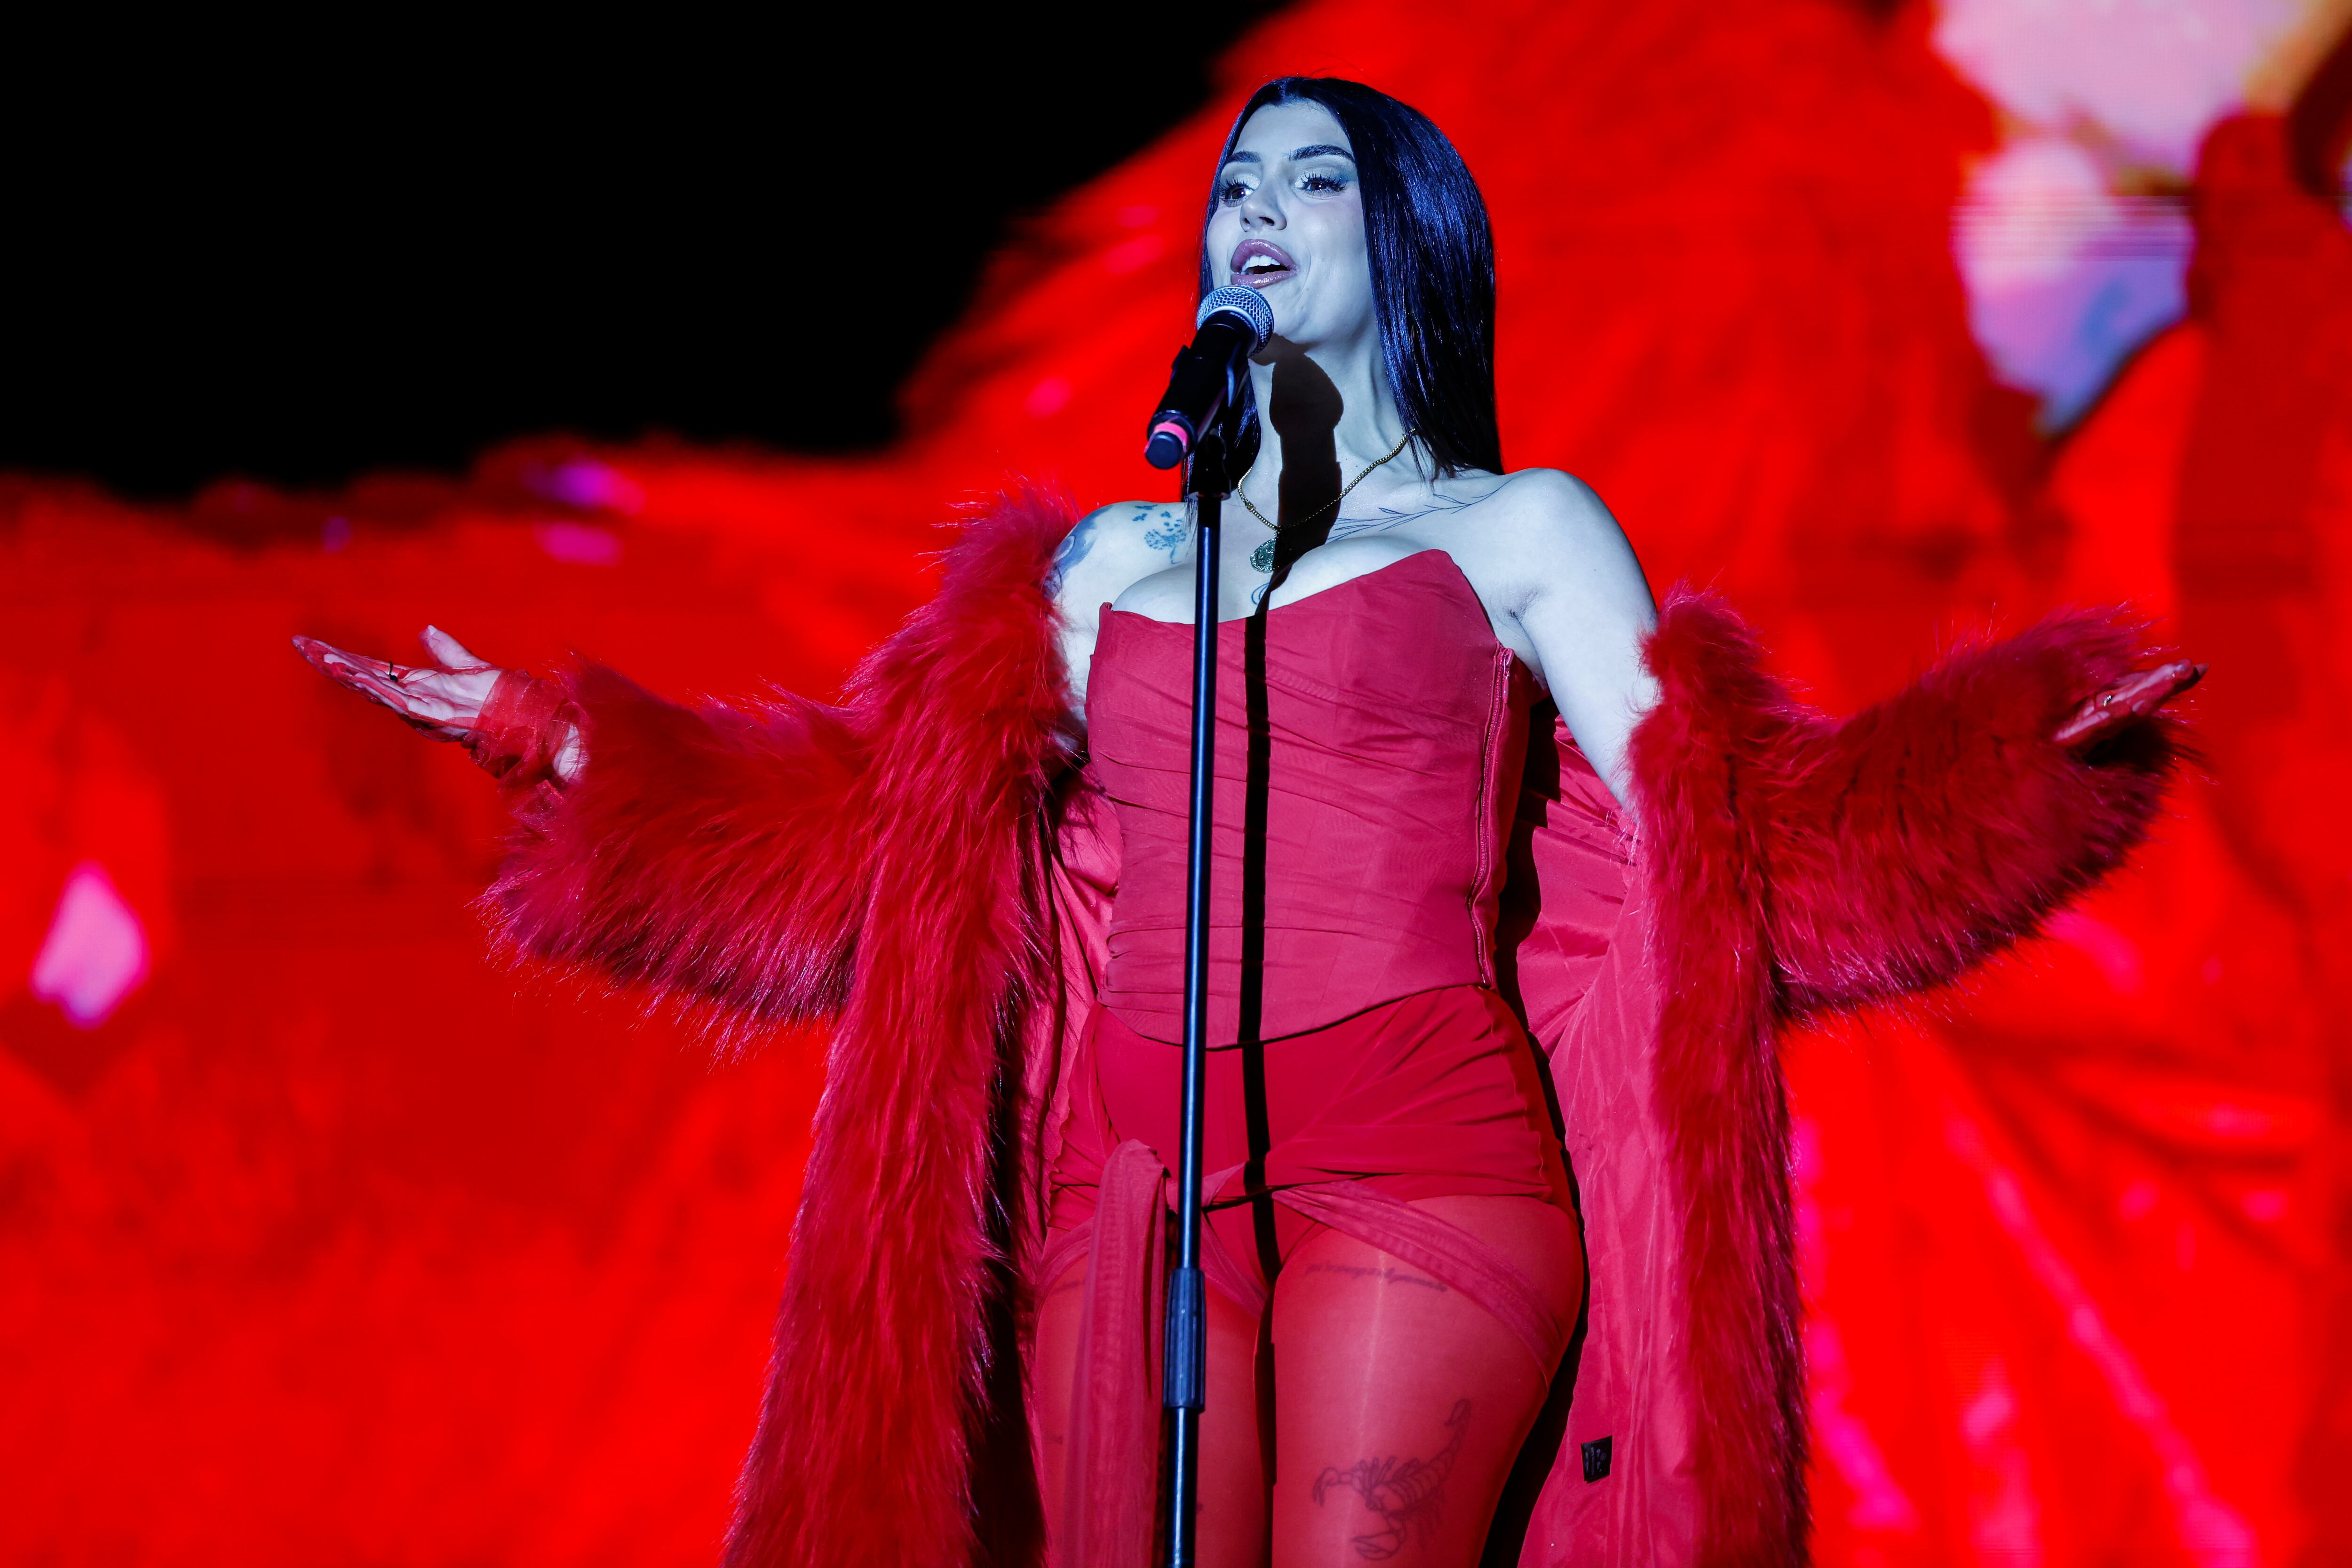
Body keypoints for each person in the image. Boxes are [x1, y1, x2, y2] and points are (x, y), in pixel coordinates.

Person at [297, 77, 2197, 1568]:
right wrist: (565, 751)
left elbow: (1742, 847)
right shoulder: (1108, 556)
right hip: (1128, 1190)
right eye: (1234, 187)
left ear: (1410, 242)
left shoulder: (1514, 531)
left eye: (1305, 183)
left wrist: (2012, 760)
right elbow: (883, 851)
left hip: (1423, 1160)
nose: (1253, 215)